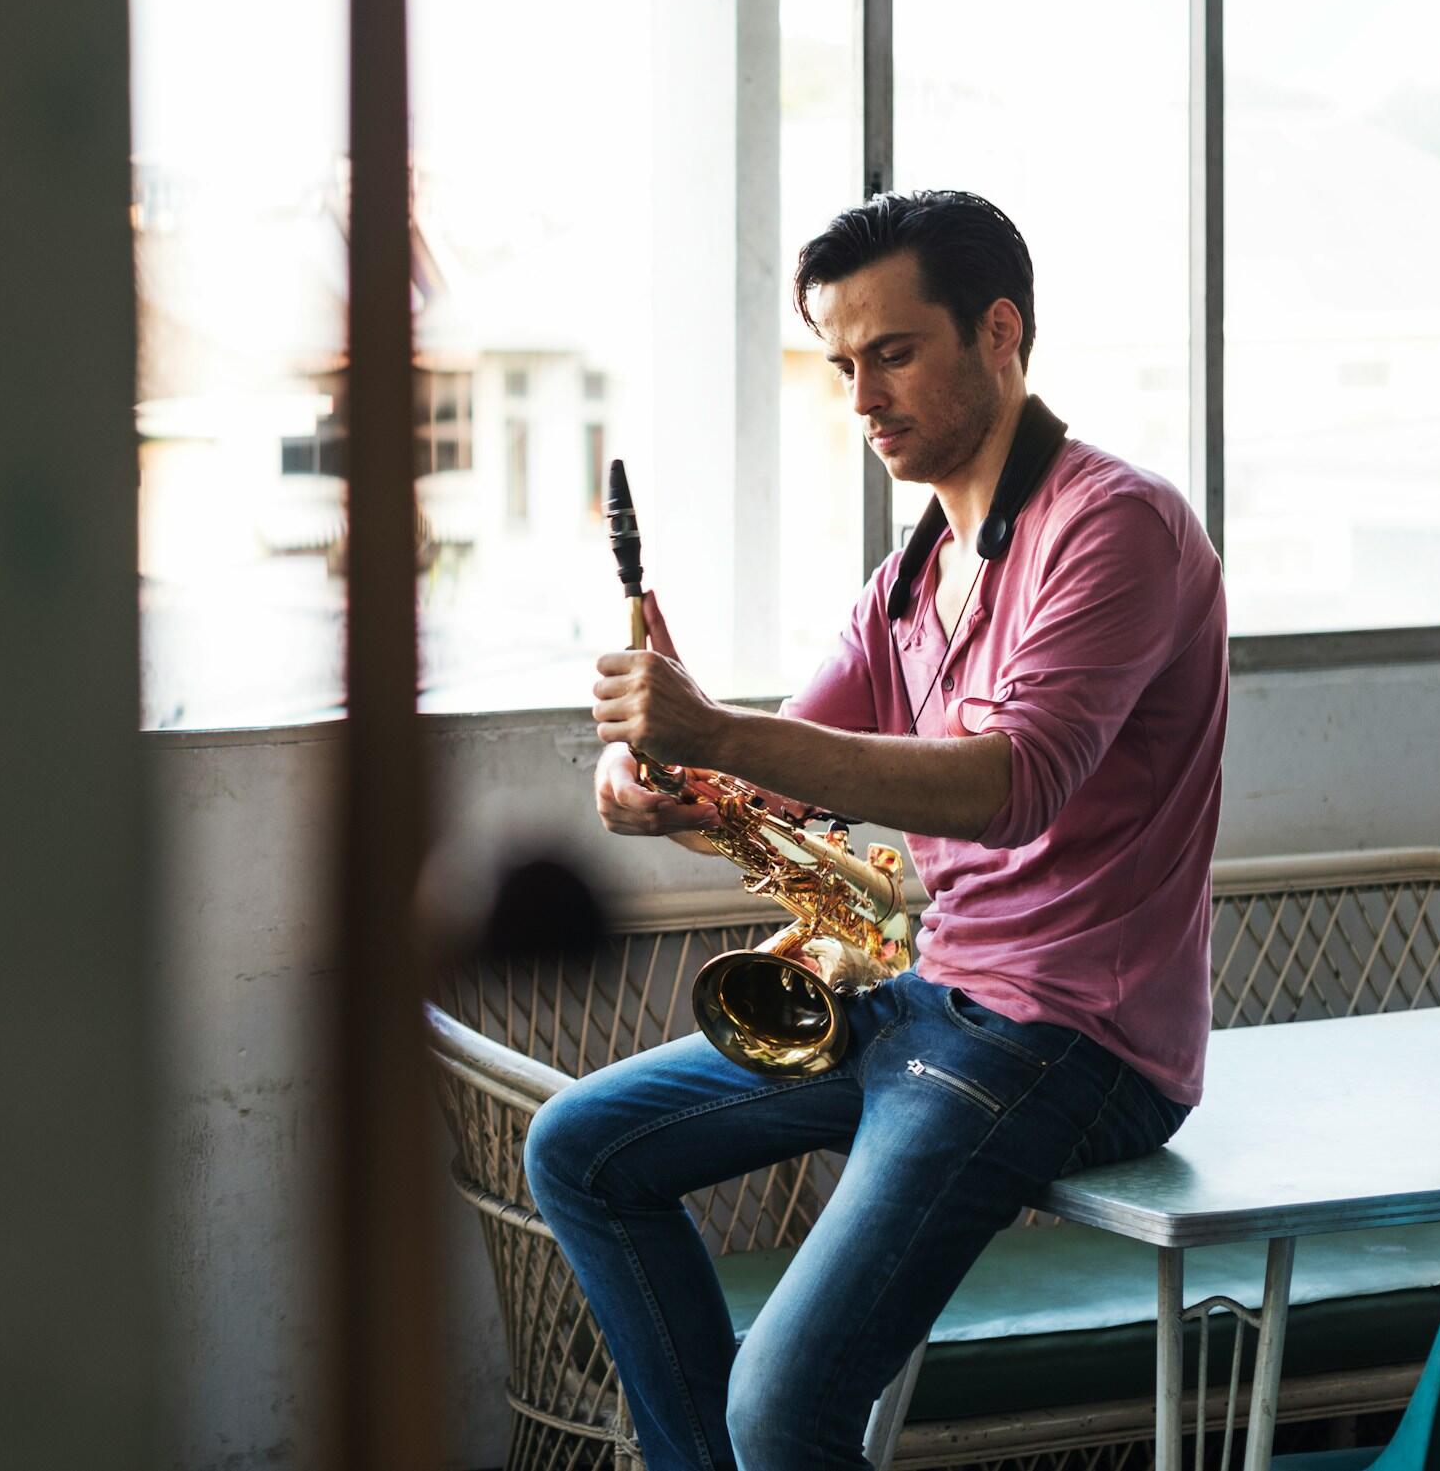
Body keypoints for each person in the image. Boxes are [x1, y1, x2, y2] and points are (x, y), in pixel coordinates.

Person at [526, 190, 1228, 1471]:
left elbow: (1015, 780)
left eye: (892, 353)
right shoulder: (907, 577)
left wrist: (721, 731)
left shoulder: (1113, 524)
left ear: (1000, 333)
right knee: (581, 1148)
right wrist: (656, 778)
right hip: (934, 1000)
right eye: (844, 362)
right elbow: (774, 795)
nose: (860, 399)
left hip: (1072, 1039)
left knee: (783, 1406)